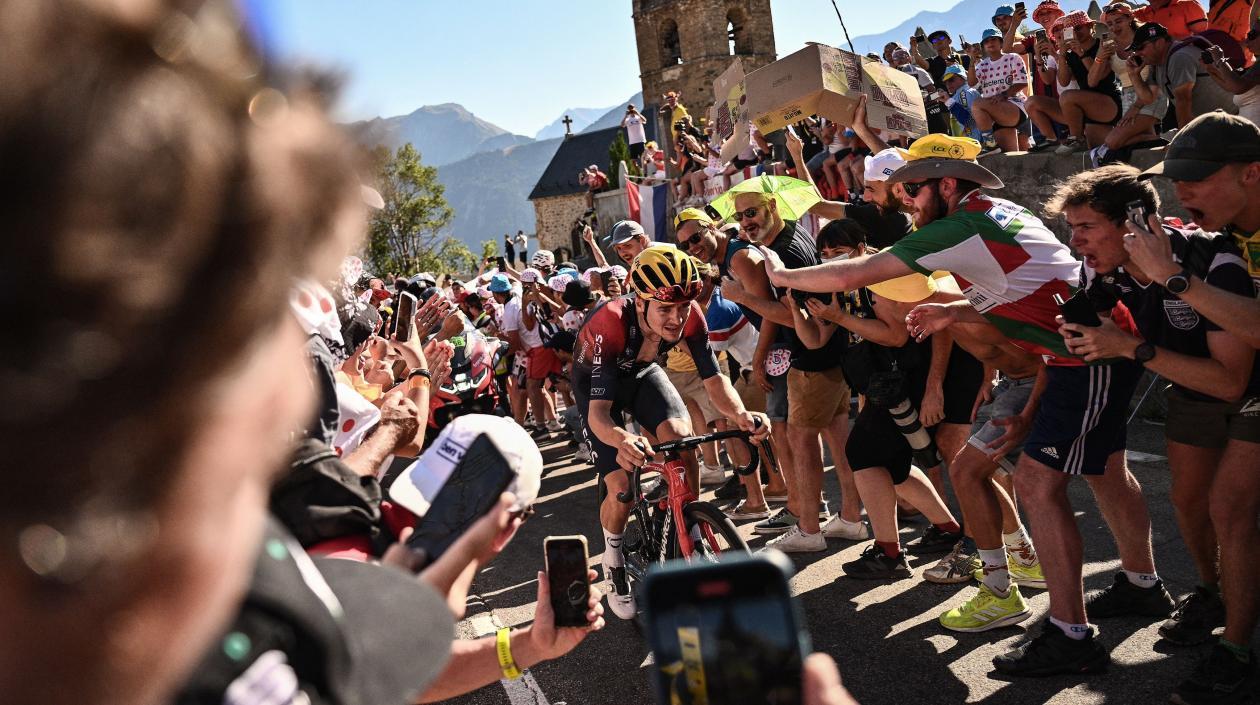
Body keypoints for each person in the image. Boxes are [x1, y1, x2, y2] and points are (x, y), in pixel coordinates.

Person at [761, 134, 1163, 678]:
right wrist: (953, 311)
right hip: (1075, 352)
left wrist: (780, 275)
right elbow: (1020, 286)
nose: (905, 202)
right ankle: (1134, 584)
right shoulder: (990, 214)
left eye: (912, 191)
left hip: (1083, 354)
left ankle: (1067, 629)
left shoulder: (959, 226)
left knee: (1036, 485)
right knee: (1093, 472)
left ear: (946, 185)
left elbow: (853, 273)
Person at [1048, 164, 1259, 704]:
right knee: (1187, 502)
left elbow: (1231, 381)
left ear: (1133, 225)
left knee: (1228, 510)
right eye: (1071, 228)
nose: (1075, 241)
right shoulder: (1104, 271)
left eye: (1087, 227)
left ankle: (1237, 647)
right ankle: (1210, 595)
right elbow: (1093, 328)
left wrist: (1130, 348)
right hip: (1191, 389)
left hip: (1244, 389)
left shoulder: (1211, 260)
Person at [571, 245, 770, 618]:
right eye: (665, 309)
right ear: (640, 299)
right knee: (621, 487)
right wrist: (621, 438)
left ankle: (689, 526)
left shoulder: (691, 315)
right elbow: (599, 413)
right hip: (597, 389)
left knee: (681, 438)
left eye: (682, 307)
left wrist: (742, 415)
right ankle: (613, 556)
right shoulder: (610, 323)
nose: (677, 318)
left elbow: (714, 381)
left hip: (643, 374)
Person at [793, 219, 963, 578]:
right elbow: (814, 340)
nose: (829, 260)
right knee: (895, 467)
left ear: (861, 249)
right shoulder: (843, 285)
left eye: (837, 253)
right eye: (823, 255)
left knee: (862, 454)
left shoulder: (884, 276)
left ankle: (889, 552)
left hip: (907, 379)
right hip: (881, 384)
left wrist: (934, 387)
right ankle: (946, 530)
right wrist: (798, 307)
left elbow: (896, 337)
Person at [719, 187, 858, 554]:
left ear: (772, 206)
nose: (746, 222)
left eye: (752, 212)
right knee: (838, 440)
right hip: (832, 353)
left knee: (802, 443)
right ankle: (851, 516)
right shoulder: (793, 232)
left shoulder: (783, 251)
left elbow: (796, 318)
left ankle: (810, 528)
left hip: (813, 360)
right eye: (740, 216)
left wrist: (742, 297)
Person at [673, 210, 796, 516]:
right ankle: (781, 491)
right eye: (686, 245)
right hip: (761, 360)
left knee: (746, 428)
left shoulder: (720, 297)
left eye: (696, 238)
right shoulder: (724, 274)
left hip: (768, 359)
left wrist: (757, 361)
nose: (692, 246)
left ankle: (775, 500)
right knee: (755, 427)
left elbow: (769, 311)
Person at [1126, 111, 1260, 350]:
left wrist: (1172, 276)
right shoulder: (1225, 231)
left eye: (1195, 179)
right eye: (1175, 180)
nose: (1181, 193)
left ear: (1251, 173)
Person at [1038, 11, 1123, 153]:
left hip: (1109, 103)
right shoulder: (1071, 53)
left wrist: (1081, 53)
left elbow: (1097, 78)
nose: (1076, 33)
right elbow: (1064, 81)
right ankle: (1054, 140)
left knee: (1067, 96)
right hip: (1087, 110)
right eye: (1072, 30)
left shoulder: (1101, 45)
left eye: (1079, 28)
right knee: (1096, 155)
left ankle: (1076, 138)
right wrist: (1062, 56)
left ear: (1090, 26)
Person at [1128, 23, 1240, 130]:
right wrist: (1134, 75)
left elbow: (1183, 100)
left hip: (1233, 119)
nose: (1137, 53)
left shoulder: (1179, 58)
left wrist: (1183, 140)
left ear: (1159, 43)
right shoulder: (1156, 64)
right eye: (1134, 50)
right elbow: (1148, 98)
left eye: (1140, 48)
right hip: (1214, 122)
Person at [967, 28, 1032, 152]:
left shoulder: (1013, 58)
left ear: (1001, 42)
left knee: (977, 104)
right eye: (986, 41)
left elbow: (1023, 82)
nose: (990, 43)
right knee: (1010, 157)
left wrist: (1003, 95)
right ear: (983, 47)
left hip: (1016, 106)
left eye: (993, 39)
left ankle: (989, 143)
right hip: (996, 113)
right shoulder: (981, 65)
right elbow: (971, 83)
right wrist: (972, 60)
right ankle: (991, 143)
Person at [1203, 18, 1260, 124]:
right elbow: (1230, 86)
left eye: (1252, 35)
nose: (1246, 40)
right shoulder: (1256, 65)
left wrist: (1220, 59)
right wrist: (1210, 69)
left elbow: (1237, 87)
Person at [1135, 0, 1211, 39]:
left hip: (1182, 58)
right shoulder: (1141, 12)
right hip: (1153, 62)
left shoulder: (1189, 5)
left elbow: (1203, 38)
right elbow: (1124, 16)